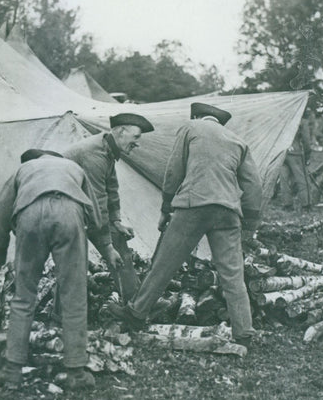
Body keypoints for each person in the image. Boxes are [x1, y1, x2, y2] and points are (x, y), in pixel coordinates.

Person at [108, 103, 262, 347]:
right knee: (233, 274)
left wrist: (166, 207)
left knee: (165, 263)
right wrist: (250, 223)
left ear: (198, 116)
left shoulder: (190, 128)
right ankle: (244, 332)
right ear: (219, 122)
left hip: (194, 205)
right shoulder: (237, 141)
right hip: (228, 212)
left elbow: (174, 170)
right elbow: (253, 185)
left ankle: (136, 313)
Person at [0, 150, 115, 390]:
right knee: (74, 296)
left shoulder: (23, 170)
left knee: (24, 296)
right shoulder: (74, 169)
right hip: (69, 213)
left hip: (30, 213)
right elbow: (96, 219)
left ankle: (12, 370)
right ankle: (75, 372)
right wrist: (104, 244)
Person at [62, 113, 153, 302]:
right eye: (136, 137)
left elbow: (111, 189)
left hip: (81, 207)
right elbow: (98, 200)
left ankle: (134, 302)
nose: (138, 144)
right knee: (75, 260)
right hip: (63, 210)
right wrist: (107, 246)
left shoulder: (108, 150)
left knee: (117, 237)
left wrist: (117, 222)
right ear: (120, 132)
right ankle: (60, 315)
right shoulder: (93, 153)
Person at [278, 110, 312, 210]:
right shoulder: (302, 121)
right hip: (296, 153)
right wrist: (308, 155)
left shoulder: (283, 119)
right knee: (302, 179)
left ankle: (287, 204)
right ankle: (306, 204)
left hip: (283, 151)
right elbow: (306, 140)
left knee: (284, 180)